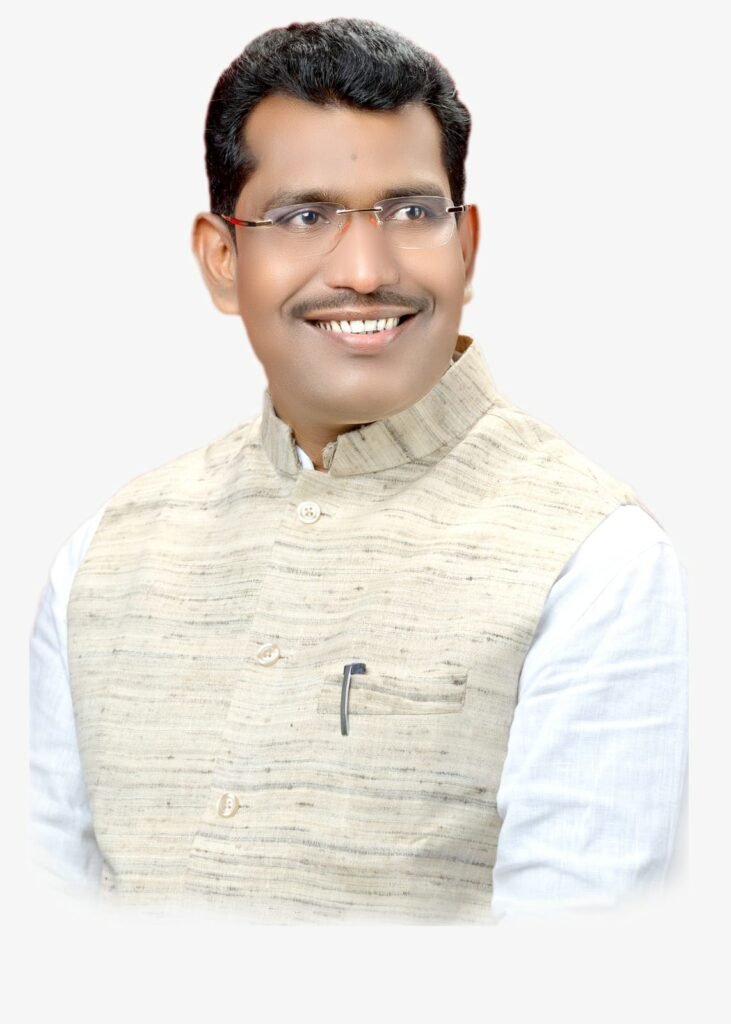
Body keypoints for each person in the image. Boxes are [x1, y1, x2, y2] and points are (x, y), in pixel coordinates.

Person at [28, 17, 688, 925]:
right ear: (222, 259)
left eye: (412, 213)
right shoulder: (103, 559)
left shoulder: (594, 561)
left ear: (466, 247)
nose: (366, 271)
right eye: (304, 218)